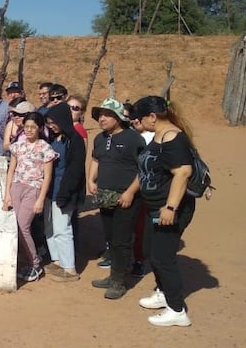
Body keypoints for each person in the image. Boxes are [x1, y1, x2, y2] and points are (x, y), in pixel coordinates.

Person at [131, 95, 196, 327]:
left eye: (140, 118)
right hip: (154, 207)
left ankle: (177, 310)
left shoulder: (172, 137)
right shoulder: (159, 134)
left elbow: (183, 172)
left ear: (152, 116)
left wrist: (170, 207)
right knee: (150, 250)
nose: (138, 122)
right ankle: (163, 291)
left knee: (163, 256)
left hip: (170, 209)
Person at [88, 98, 146, 300]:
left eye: (107, 115)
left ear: (118, 118)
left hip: (126, 197)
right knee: (111, 238)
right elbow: (96, 159)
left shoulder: (133, 139)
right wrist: (91, 179)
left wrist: (130, 192)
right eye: (100, 115)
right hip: (105, 195)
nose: (101, 119)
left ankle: (119, 282)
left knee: (122, 240)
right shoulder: (100, 138)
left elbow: (143, 169)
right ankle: (113, 275)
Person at [2, 112, 57, 282]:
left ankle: (35, 264)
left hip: (33, 189)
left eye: (33, 127)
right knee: (15, 226)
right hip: (16, 187)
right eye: (26, 126)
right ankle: (24, 261)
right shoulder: (18, 146)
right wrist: (7, 194)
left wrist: (40, 199)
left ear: (40, 128)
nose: (29, 130)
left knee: (23, 226)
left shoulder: (46, 148)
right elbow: (11, 170)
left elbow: (47, 176)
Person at [43, 103, 87, 282]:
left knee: (63, 229)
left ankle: (69, 268)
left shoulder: (74, 140)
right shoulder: (55, 139)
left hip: (64, 191)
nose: (51, 126)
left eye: (53, 122)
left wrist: (65, 192)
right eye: (49, 123)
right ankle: (58, 260)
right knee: (50, 228)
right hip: (50, 190)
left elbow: (75, 169)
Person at [124, 101, 153, 277]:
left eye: (136, 118)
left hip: (144, 190)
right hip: (125, 186)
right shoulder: (129, 135)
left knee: (141, 228)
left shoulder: (153, 137)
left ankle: (139, 260)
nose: (133, 121)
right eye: (130, 118)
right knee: (125, 226)